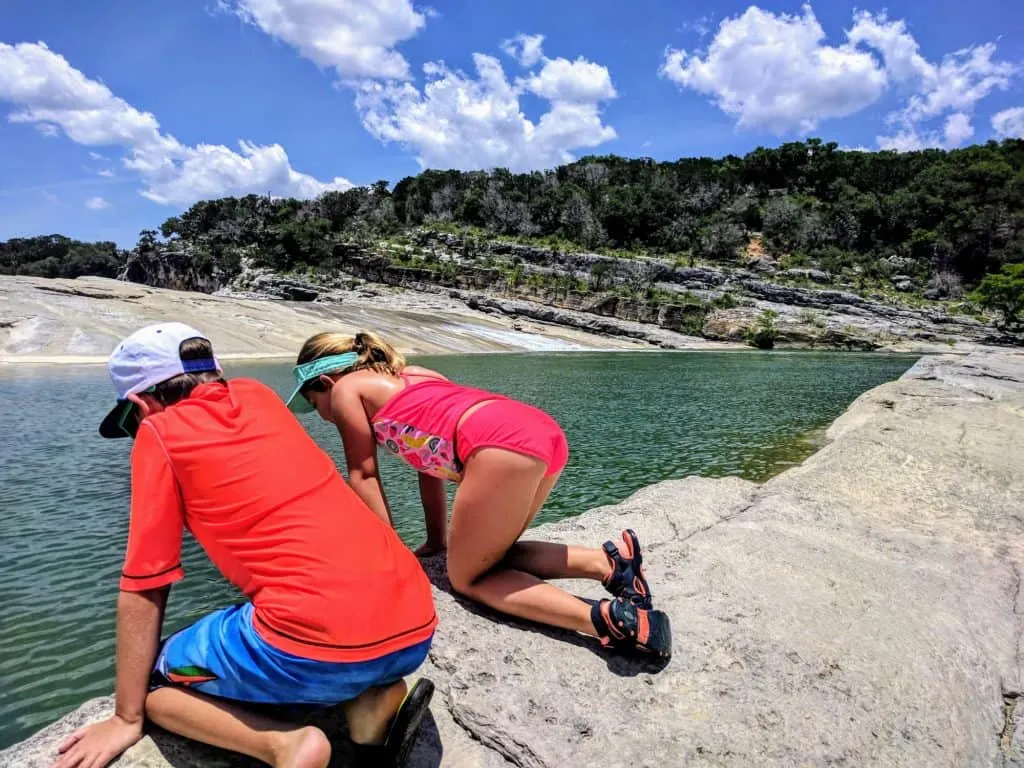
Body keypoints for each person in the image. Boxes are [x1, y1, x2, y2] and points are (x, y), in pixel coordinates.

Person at [56, 323, 437, 768]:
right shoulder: (258, 395)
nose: (136, 428)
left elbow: (146, 583)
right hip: (414, 624)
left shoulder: (158, 433)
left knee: (162, 681)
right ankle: (370, 702)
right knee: (317, 630)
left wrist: (125, 716)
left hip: (316, 645)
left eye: (130, 418)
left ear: (142, 403)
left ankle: (286, 745)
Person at [286, 330, 672, 658]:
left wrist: (389, 556)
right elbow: (428, 469)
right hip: (537, 431)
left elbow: (364, 474)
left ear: (326, 381)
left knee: (468, 579)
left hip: (498, 444)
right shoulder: (413, 374)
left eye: (312, 402)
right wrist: (436, 542)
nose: (319, 411)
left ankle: (610, 621)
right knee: (490, 557)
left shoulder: (346, 390)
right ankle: (609, 565)